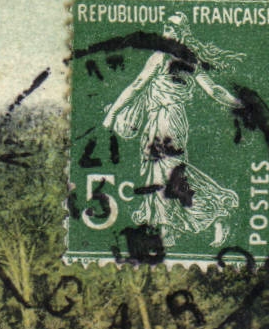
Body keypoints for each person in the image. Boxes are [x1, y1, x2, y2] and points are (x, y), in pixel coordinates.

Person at [101, 13, 244, 247]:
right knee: (165, 173)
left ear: (182, 32)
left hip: (165, 120)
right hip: (169, 120)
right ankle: (170, 229)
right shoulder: (189, 60)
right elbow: (215, 90)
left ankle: (215, 211)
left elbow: (136, 87)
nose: (168, 29)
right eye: (166, 25)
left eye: (173, 26)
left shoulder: (161, 58)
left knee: (164, 173)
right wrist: (242, 105)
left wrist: (112, 114)